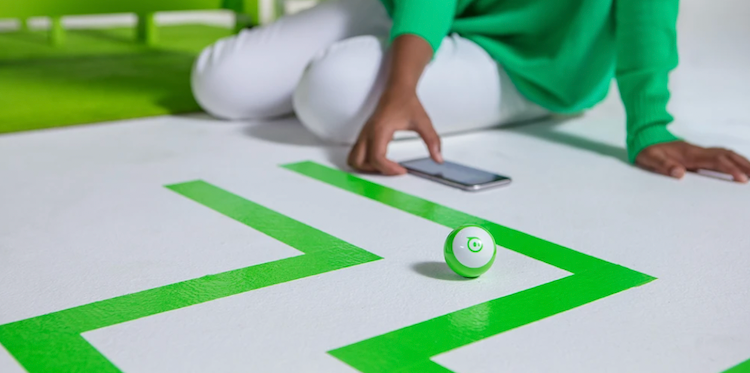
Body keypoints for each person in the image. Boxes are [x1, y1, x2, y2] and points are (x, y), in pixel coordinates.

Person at [191, 0, 750, 182]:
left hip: (537, 60)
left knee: (330, 92)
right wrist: (403, 78)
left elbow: (648, 14)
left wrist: (649, 124)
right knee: (219, 82)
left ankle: (389, 57)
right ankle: (405, 45)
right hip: (435, 9)